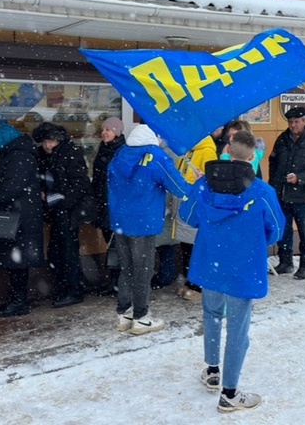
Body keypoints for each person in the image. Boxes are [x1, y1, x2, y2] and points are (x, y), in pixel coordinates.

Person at [179, 130, 285, 412]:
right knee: (238, 329)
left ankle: (212, 371)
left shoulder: (204, 186)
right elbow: (275, 231)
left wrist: (198, 189)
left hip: (210, 263)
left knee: (212, 316)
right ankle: (229, 393)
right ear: (252, 157)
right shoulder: (262, 192)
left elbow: (187, 217)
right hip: (243, 268)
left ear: (227, 149)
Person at [107, 124, 190, 335]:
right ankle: (141, 318)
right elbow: (177, 187)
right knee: (143, 269)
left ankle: (124, 313)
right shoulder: (155, 156)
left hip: (120, 222)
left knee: (126, 268)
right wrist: (193, 186)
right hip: (143, 222)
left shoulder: (120, 155)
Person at [0, 124, 45, 317]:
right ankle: (17, 301)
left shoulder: (19, 156)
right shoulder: (18, 153)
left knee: (17, 263)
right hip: (20, 217)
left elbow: (11, 190)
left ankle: (19, 303)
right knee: (17, 263)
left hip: (19, 219)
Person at [32, 122, 96, 309]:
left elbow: (79, 186)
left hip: (68, 211)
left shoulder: (69, 154)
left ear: (58, 140)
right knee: (58, 251)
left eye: (49, 141)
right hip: (59, 210)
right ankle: (65, 288)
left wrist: (55, 198)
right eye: (44, 142)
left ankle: (73, 290)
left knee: (67, 252)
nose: (46, 145)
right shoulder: (52, 154)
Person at [268, 106, 305, 279]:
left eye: (296, 121)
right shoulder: (282, 139)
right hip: (282, 194)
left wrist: (300, 178)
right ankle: (285, 262)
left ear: (304, 121)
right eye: (290, 122)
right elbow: (273, 162)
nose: (293, 125)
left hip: (303, 196)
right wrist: (274, 185)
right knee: (284, 230)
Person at [155, 134, 218, 300]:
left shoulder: (206, 152)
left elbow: (211, 182)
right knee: (186, 246)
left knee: (194, 246)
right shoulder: (188, 151)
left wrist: (200, 182)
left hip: (195, 206)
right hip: (184, 205)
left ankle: (198, 285)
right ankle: (190, 281)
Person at [90, 117, 126, 296]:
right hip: (103, 203)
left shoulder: (122, 151)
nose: (105, 132)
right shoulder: (104, 148)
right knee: (110, 242)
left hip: (115, 205)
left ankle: (118, 283)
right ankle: (114, 281)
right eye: (103, 129)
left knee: (117, 245)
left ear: (117, 132)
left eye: (109, 130)